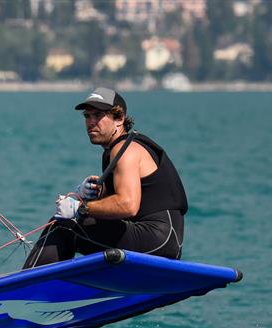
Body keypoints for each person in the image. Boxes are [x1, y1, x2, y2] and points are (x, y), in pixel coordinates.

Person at [23, 87, 188, 269]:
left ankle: (25, 284)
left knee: (64, 226)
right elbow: (134, 196)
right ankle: (55, 284)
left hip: (157, 239)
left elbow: (128, 204)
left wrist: (80, 208)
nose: (91, 122)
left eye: (98, 115)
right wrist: (96, 192)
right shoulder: (119, 149)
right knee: (70, 223)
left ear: (119, 119)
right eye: (87, 116)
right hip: (164, 240)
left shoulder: (125, 151)